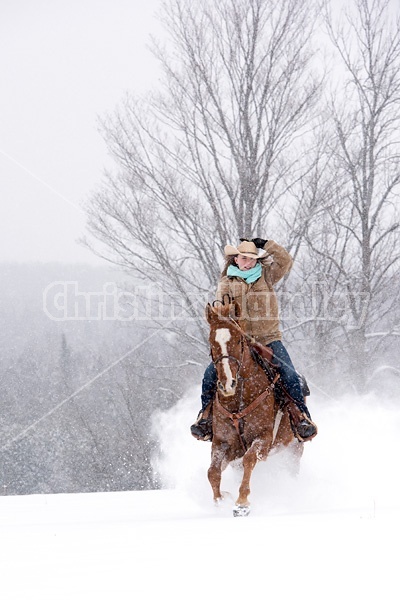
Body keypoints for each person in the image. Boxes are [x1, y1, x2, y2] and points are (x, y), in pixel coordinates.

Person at [191, 237, 317, 442]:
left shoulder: (266, 276)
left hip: (268, 339)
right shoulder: (227, 283)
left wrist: (266, 244)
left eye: (252, 258)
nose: (248, 262)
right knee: (209, 375)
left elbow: (285, 260)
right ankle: (205, 417)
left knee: (289, 374)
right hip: (240, 344)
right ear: (235, 260)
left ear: (256, 261)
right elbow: (223, 311)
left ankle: (301, 418)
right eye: (244, 258)